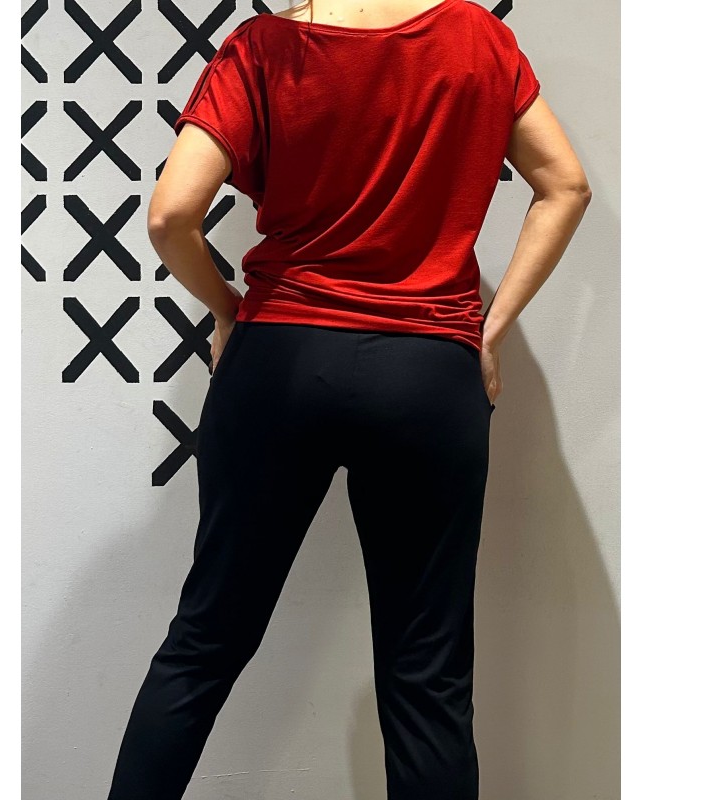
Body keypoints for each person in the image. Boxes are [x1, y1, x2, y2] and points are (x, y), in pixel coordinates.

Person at [106, 1, 591, 798]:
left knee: (205, 642)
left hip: (281, 361)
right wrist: (491, 326)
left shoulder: (262, 49)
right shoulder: (475, 37)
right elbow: (565, 185)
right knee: (426, 673)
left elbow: (170, 215)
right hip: (428, 369)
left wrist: (227, 311)